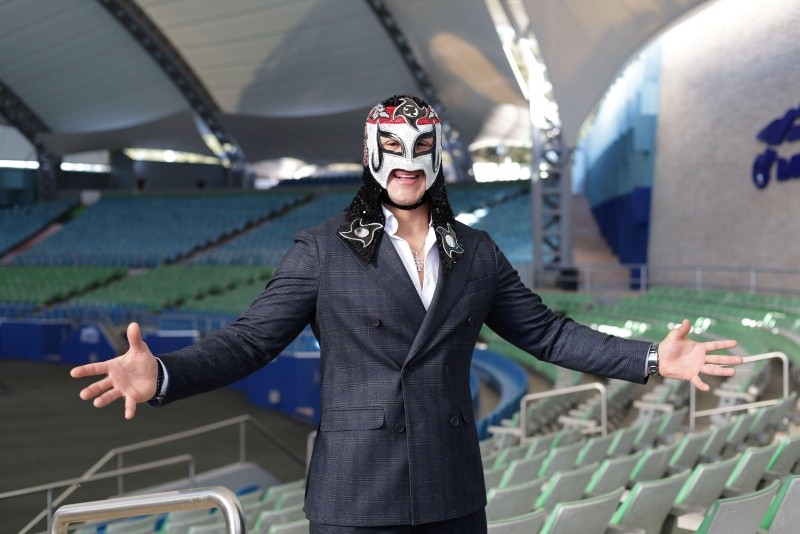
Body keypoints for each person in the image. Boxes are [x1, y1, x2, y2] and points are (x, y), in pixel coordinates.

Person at [71, 95, 741, 533]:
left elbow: (546, 333)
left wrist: (651, 358)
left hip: (452, 492)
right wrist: (164, 373)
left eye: (420, 147)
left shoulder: (475, 252)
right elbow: (250, 342)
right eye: (393, 147)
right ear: (371, 154)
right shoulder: (321, 250)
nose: (407, 163)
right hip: (354, 497)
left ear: (436, 156)